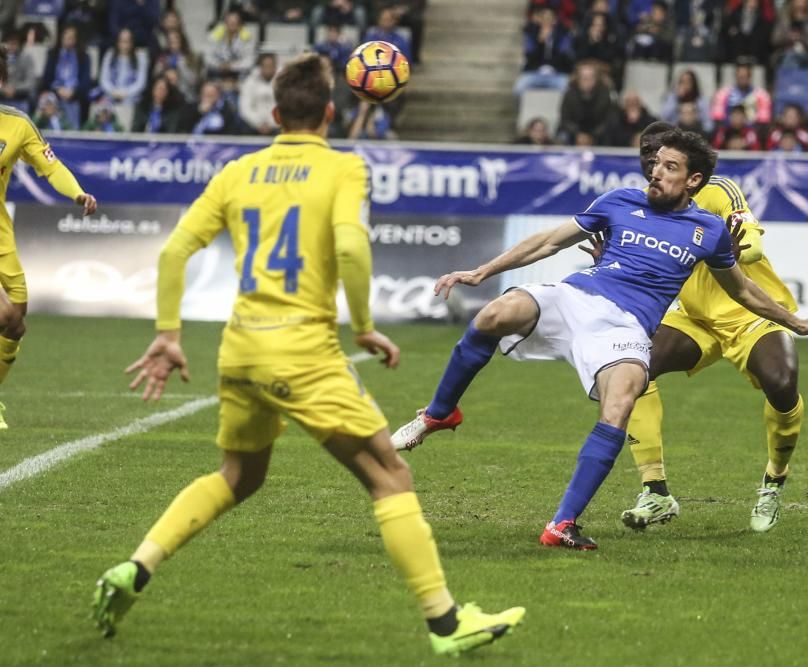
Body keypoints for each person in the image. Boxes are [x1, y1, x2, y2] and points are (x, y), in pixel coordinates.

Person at [90, 53, 524, 655]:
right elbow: (350, 248)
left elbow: (172, 254)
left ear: (273, 114)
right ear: (328, 110)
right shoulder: (344, 169)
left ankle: (135, 567)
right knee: (390, 475)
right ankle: (447, 624)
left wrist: (168, 333)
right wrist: (367, 327)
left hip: (240, 349)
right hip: (303, 352)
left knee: (238, 477)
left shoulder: (238, 171)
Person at [390, 128, 808, 549]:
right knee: (495, 314)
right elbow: (550, 241)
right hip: (576, 296)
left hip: (626, 328)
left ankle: (561, 524)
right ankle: (439, 414)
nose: (655, 172)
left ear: (693, 179)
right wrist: (483, 271)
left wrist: (796, 322)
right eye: (654, 163)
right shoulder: (620, 201)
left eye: (668, 167)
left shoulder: (708, 229)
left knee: (623, 399)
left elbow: (742, 289)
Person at [602, 121, 808, 533]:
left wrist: (739, 248)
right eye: (646, 152)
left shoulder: (718, 190)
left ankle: (774, 478)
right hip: (693, 316)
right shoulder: (645, 206)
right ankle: (656, 492)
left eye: (660, 151)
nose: (652, 160)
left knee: (782, 382)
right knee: (633, 366)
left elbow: (751, 240)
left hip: (749, 312)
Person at [0, 48, 98, 430]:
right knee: (4, 314)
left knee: (16, 324)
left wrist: (76, 193)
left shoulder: (17, 125)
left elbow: (50, 166)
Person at [710, 61, 772, 126]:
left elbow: (764, 120)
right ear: (736, 76)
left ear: (750, 77)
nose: (742, 79)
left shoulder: (762, 95)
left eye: (745, 77)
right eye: (740, 77)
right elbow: (717, 117)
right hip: (728, 130)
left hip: (752, 131)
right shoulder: (723, 93)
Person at [99, 27, 149, 106]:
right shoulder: (110, 54)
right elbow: (104, 79)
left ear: (132, 42)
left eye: (127, 42)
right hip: (111, 93)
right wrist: (113, 92)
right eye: (122, 41)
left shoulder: (140, 56)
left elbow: (141, 83)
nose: (124, 45)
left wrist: (126, 93)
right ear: (117, 42)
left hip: (131, 96)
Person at [239, 52, 279, 135]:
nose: (268, 69)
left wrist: (271, 124)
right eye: (265, 66)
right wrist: (258, 123)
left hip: (276, 127)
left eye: (271, 66)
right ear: (260, 67)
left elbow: (285, 108)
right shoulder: (249, 82)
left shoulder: (283, 82)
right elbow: (245, 108)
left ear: (275, 66)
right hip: (253, 126)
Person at [661, 69, 711, 135]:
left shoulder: (700, 100)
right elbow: (664, 116)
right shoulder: (673, 98)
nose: (685, 85)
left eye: (688, 82)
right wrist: (676, 97)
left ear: (694, 83)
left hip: (696, 132)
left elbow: (708, 124)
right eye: (682, 82)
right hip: (676, 132)